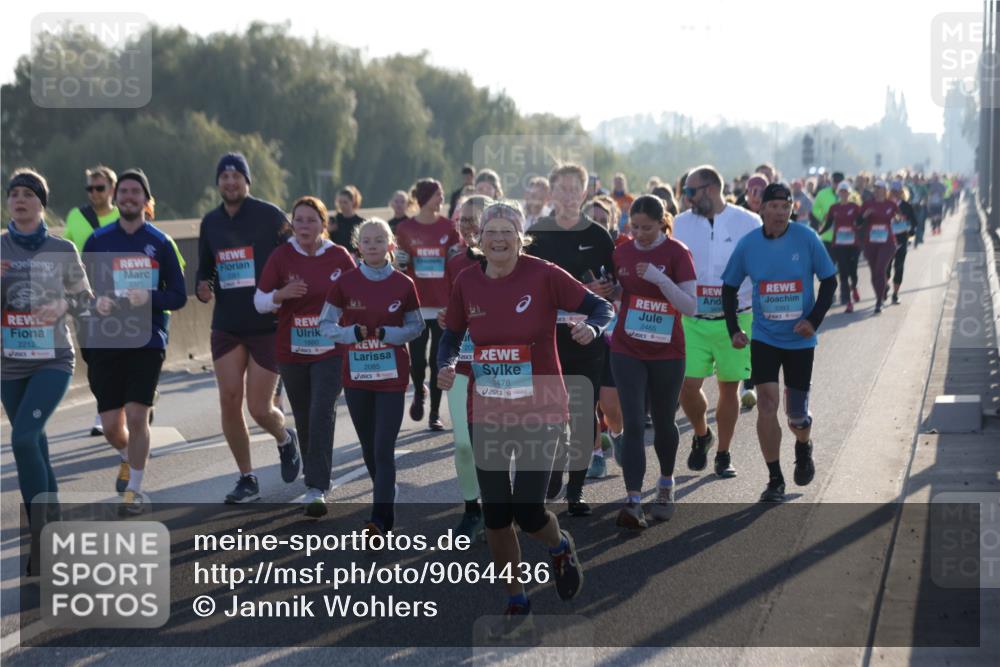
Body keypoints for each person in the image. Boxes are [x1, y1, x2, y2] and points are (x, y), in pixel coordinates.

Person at [437, 200, 611, 634]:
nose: (499, 238)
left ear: (521, 238)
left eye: (507, 231)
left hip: (541, 406)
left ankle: (559, 546)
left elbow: (599, 308)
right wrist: (445, 363)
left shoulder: (544, 275)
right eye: (491, 231)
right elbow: (452, 334)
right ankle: (515, 596)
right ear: (479, 240)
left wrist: (592, 329)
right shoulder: (466, 282)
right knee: (497, 515)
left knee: (529, 512)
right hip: (488, 408)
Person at [721, 183, 837, 503]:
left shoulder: (807, 238)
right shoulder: (748, 246)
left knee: (796, 415)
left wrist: (813, 320)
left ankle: (803, 445)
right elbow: (728, 288)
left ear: (791, 210)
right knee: (767, 403)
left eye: (785, 206)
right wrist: (733, 329)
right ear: (762, 209)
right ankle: (775, 479)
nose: (780, 212)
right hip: (765, 337)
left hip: (800, 341)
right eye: (773, 206)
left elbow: (829, 281)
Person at [2, 169, 93, 573]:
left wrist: (63, 307)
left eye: (28, 194)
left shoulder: (62, 249)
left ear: (42, 203)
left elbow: (86, 302)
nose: (20, 200)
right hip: (8, 365)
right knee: (34, 443)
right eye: (14, 194)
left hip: (53, 360)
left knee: (22, 439)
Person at [196, 152, 299, 504]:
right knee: (229, 400)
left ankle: (285, 439)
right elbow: (205, 267)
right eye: (223, 176)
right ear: (218, 183)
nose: (229, 181)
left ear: (246, 180)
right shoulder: (210, 222)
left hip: (265, 324)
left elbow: (294, 255)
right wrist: (203, 285)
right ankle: (247, 477)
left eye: (236, 175)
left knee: (259, 408)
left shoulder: (269, 216)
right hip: (227, 323)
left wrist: (285, 294)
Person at [82, 169, 187, 515]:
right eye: (123, 191)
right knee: (112, 425)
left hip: (146, 339)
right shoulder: (98, 241)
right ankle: (127, 456)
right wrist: (96, 301)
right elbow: (80, 291)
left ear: (146, 200)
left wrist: (151, 297)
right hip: (106, 339)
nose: (129, 197)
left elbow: (178, 296)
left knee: (137, 414)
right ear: (115, 198)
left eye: (135, 192)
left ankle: (136, 490)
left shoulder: (160, 242)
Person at [320, 219, 424, 535]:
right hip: (356, 378)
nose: (373, 245)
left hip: (392, 379)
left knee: (382, 448)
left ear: (391, 245)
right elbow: (325, 326)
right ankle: (385, 490)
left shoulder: (404, 285)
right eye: (367, 240)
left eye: (380, 240)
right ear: (358, 246)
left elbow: (416, 326)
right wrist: (350, 332)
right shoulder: (345, 283)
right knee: (368, 448)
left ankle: (380, 519)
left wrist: (388, 334)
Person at [255, 196, 357, 517]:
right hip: (292, 352)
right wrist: (281, 295)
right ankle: (312, 473)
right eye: (298, 220)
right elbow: (259, 301)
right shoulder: (282, 256)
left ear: (323, 225)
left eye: (311, 220)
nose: (304, 226)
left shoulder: (339, 257)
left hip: (331, 349)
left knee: (321, 411)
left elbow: (357, 296)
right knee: (304, 415)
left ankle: (316, 488)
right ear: (292, 225)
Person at [527, 163, 616, 516]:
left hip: (586, 337)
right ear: (552, 193)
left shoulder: (598, 235)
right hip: (546, 337)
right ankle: (550, 474)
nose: (567, 195)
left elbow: (614, 286)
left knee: (582, 412)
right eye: (560, 188)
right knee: (549, 414)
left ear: (583, 193)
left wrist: (608, 289)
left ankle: (576, 491)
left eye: (573, 188)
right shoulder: (536, 234)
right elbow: (524, 287)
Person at [612, 195, 697, 529]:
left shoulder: (678, 252)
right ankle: (633, 500)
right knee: (633, 422)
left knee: (663, 421)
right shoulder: (621, 251)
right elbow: (622, 293)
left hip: (667, 351)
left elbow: (690, 306)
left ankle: (665, 483)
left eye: (647, 228)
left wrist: (659, 278)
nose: (640, 234)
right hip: (627, 347)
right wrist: (612, 290)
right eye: (634, 227)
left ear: (663, 222)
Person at [673, 166, 762, 480]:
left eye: (689, 192)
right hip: (693, 320)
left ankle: (723, 453)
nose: (685, 198)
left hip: (736, 318)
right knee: (687, 385)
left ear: (710, 189)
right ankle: (701, 433)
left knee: (729, 386)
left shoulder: (749, 222)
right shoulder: (680, 224)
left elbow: (761, 265)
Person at [437, 194, 492, 539]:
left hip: (501, 365)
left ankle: (502, 506)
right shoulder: (456, 263)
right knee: (463, 443)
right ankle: (473, 509)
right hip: (462, 362)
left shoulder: (514, 261)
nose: (470, 226)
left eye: (476, 219)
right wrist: (446, 317)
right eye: (464, 220)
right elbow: (450, 312)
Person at [395, 179, 461, 430]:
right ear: (424, 197)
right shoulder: (405, 228)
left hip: (443, 303)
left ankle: (434, 413)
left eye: (443, 193)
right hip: (417, 302)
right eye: (437, 194)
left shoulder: (449, 227)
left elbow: (455, 263)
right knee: (419, 361)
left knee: (437, 361)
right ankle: (418, 392)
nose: (442, 198)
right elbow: (399, 263)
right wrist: (400, 261)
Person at [819, 182, 863, 312]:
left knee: (853, 272)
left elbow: (861, 223)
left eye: (845, 192)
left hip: (853, 245)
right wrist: (818, 233)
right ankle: (848, 301)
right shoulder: (834, 208)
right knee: (843, 273)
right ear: (838, 193)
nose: (843, 194)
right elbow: (828, 224)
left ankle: (854, 287)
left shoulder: (855, 207)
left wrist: (862, 220)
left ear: (849, 194)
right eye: (841, 192)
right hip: (838, 245)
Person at [859, 180, 899, 314]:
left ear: (885, 190)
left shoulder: (891, 204)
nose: (877, 190)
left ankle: (879, 301)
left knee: (880, 269)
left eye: (880, 188)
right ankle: (883, 289)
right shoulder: (867, 204)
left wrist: (900, 220)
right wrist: (864, 215)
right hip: (871, 243)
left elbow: (901, 219)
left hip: (887, 243)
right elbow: (858, 222)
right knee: (874, 272)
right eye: (875, 188)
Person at [886, 181, 916, 305]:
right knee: (885, 267)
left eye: (898, 191)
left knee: (899, 267)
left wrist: (910, 231)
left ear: (902, 192)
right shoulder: (885, 205)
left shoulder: (907, 206)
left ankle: (895, 294)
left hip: (902, 240)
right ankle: (884, 287)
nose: (895, 194)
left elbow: (914, 222)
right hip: (887, 240)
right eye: (893, 191)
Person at [329, 185, 365, 253]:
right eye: (340, 202)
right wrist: (329, 231)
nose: (342, 205)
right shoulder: (333, 221)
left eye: (345, 202)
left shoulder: (361, 222)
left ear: (353, 201)